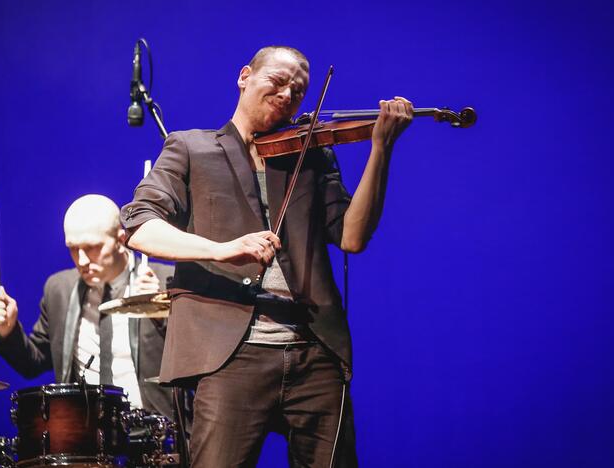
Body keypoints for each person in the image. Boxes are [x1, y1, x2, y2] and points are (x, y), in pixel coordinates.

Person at [121, 46, 412, 467]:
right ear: (244, 76)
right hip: (230, 354)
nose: (288, 95)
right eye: (278, 81)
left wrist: (380, 149)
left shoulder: (312, 153)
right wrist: (223, 249)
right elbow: (140, 225)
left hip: (314, 351)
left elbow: (352, 236)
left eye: (298, 92)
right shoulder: (190, 147)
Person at [0, 194, 174, 417]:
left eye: (92, 247)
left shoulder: (165, 281)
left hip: (155, 431)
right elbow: (33, 364)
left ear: (121, 239)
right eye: (73, 248)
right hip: (85, 434)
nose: (81, 260)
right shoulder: (59, 289)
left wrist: (161, 314)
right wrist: (8, 331)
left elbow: (195, 358)